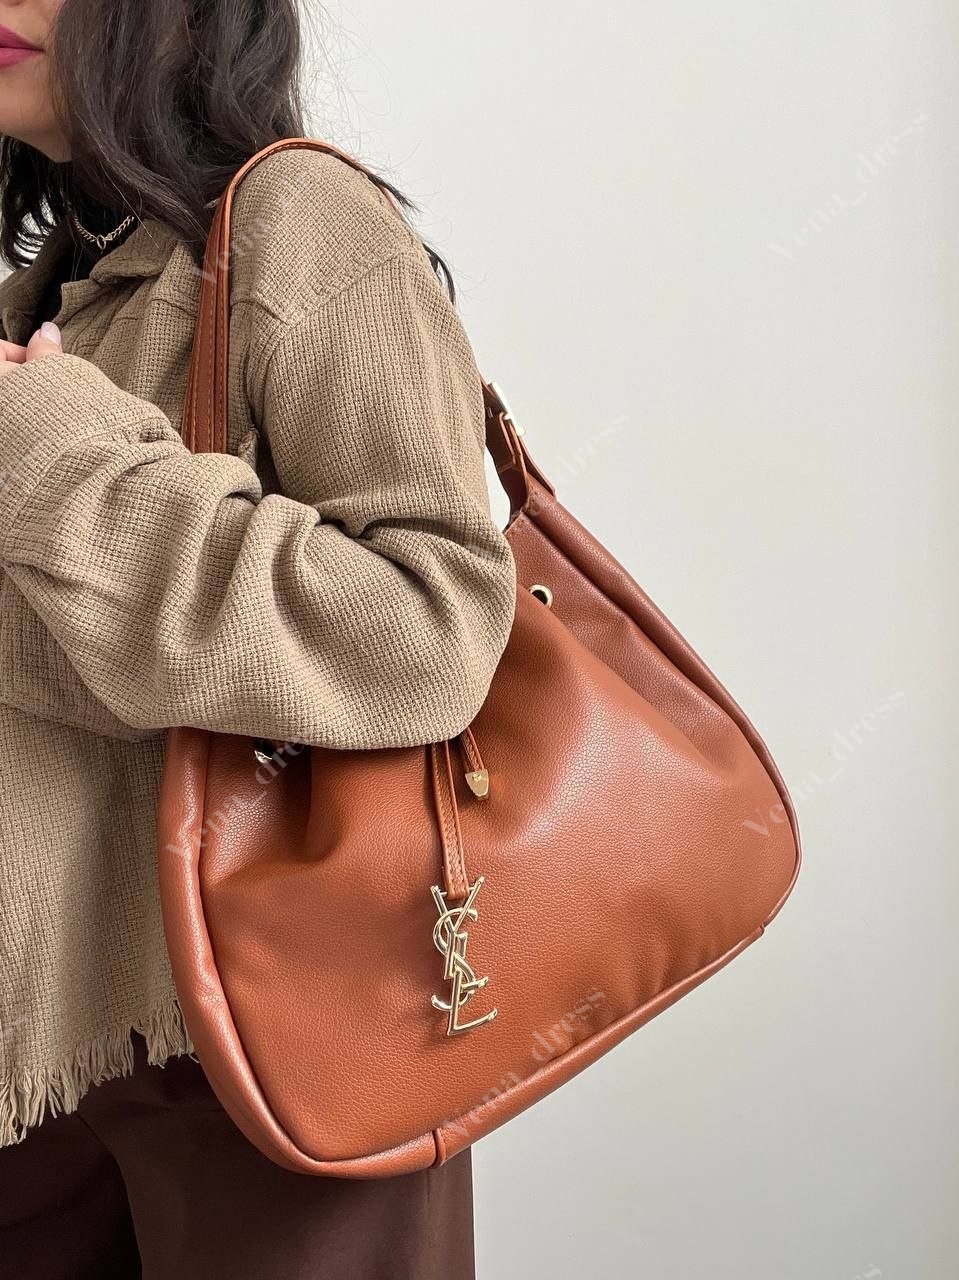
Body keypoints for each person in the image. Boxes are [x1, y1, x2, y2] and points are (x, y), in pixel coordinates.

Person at [0, 1, 516, 1275]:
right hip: (52, 1052)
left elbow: (431, 625)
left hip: (274, 1032)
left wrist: (57, 460)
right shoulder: (62, 276)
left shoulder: (304, 224)